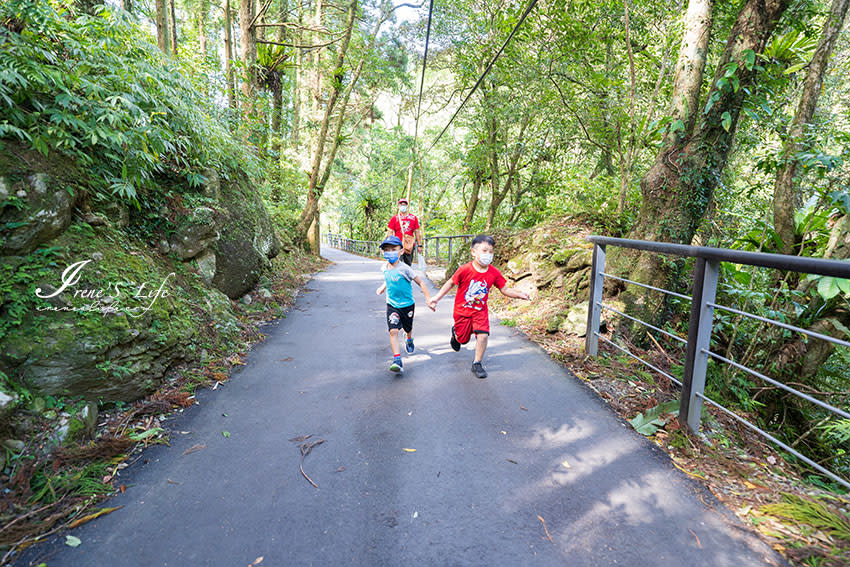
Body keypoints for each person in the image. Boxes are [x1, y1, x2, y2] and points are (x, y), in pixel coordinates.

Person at [428, 234, 530, 379]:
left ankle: (477, 363)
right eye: (484, 251)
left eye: (491, 251)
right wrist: (436, 298)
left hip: (480, 311)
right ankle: (455, 334)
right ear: (473, 252)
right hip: (462, 311)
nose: (488, 254)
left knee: (482, 336)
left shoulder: (494, 272)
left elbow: (504, 289)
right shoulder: (464, 269)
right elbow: (450, 283)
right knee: (463, 339)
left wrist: (519, 294)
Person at [376, 235, 434, 373]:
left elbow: (421, 282)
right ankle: (397, 360)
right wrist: (383, 287)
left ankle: (409, 339)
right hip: (392, 304)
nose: (390, 252)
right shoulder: (384, 267)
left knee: (408, 328)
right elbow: (389, 279)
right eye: (387, 250)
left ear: (401, 251)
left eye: (393, 249)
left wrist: (428, 299)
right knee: (393, 331)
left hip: (407, 305)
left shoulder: (405, 269)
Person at [386, 198, 422, 266]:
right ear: (398, 206)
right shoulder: (395, 218)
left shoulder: (413, 218)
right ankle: (400, 276)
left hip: (409, 245)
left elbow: (417, 232)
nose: (403, 206)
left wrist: (419, 245)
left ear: (407, 206)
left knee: (408, 264)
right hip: (398, 245)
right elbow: (390, 231)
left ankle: (407, 276)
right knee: (398, 263)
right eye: (401, 204)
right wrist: (390, 243)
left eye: (404, 204)